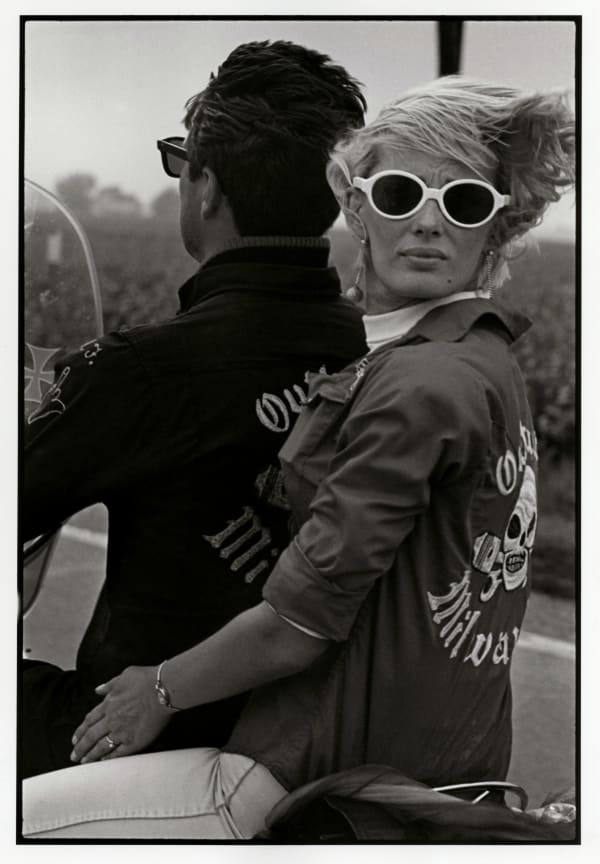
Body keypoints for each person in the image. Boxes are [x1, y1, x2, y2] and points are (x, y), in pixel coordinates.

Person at [22, 76, 574, 840]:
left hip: (318, 773)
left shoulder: (418, 385)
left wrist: (157, 689)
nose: (428, 223)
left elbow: (298, 622)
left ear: (495, 230)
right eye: (401, 193)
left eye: (465, 203)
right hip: (451, 763)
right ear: (353, 205)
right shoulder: (480, 356)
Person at [21, 40, 367, 779]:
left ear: (205, 187)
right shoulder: (365, 342)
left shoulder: (142, 370)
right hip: (306, 731)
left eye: (182, 166)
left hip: (144, 738)